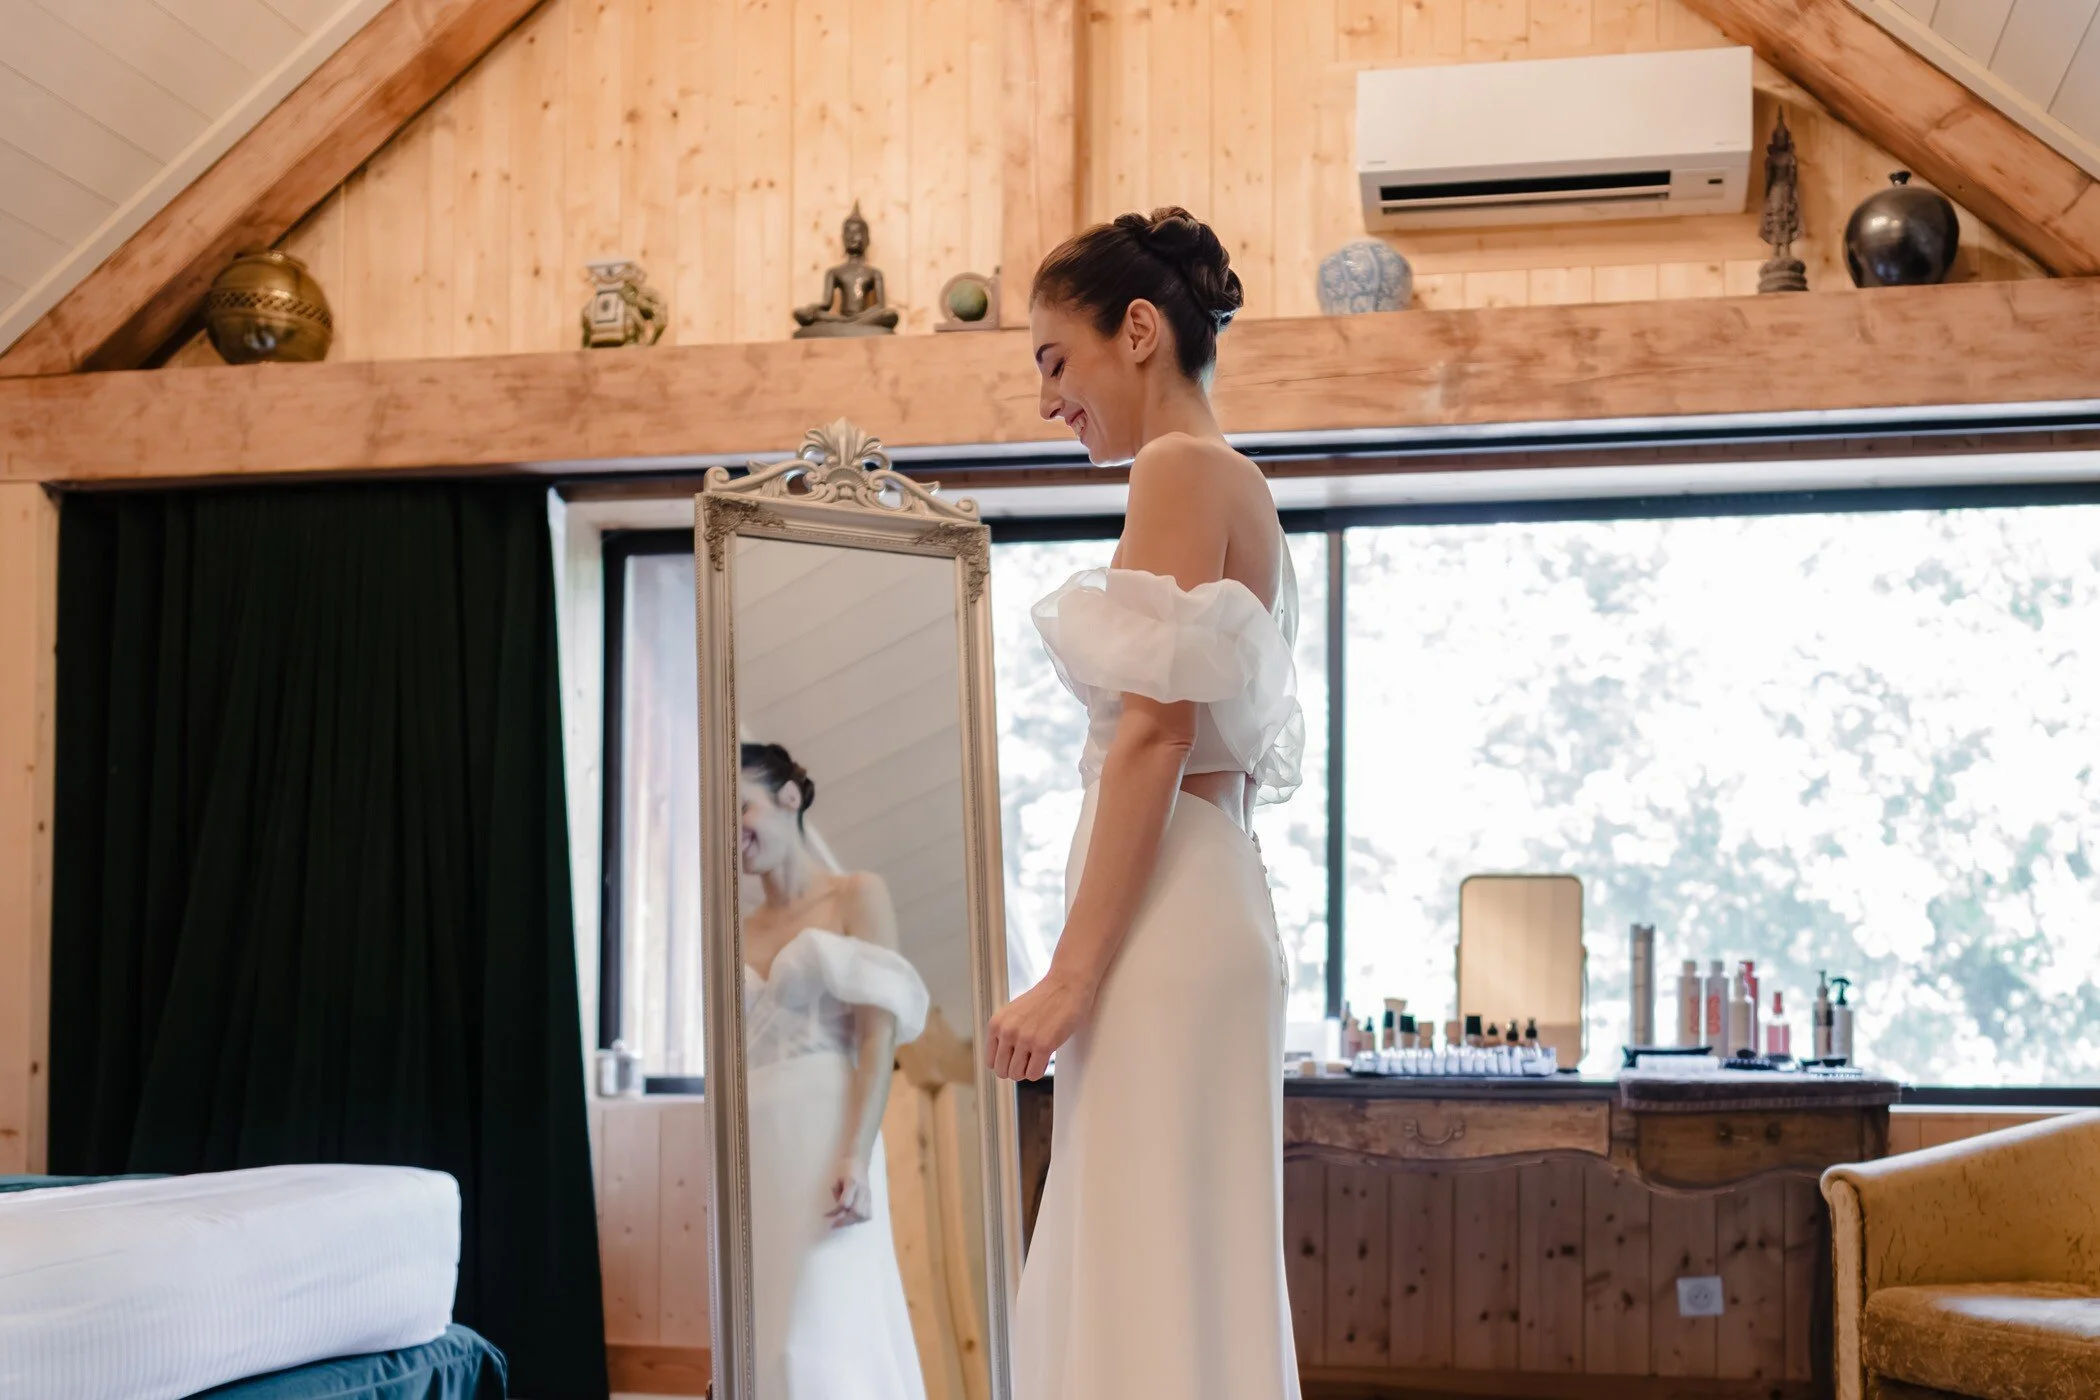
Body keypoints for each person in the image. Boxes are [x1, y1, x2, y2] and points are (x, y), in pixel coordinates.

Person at [987, 208, 1304, 1399]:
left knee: (1138, 1242)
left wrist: (1067, 975)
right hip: (1204, 891)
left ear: (1136, 330)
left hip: (1167, 914)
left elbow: (1152, 733)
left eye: (1053, 361)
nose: (1047, 399)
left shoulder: (1179, 466)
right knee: (1177, 1247)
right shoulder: (1242, 481)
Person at [738, 741, 931, 1400]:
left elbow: (878, 1039)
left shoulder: (857, 895)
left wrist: (854, 1152)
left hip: (828, 1133)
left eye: (744, 807)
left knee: (825, 1323)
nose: (736, 833)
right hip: (756, 1150)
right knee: (767, 1329)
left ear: (788, 798)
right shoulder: (732, 930)